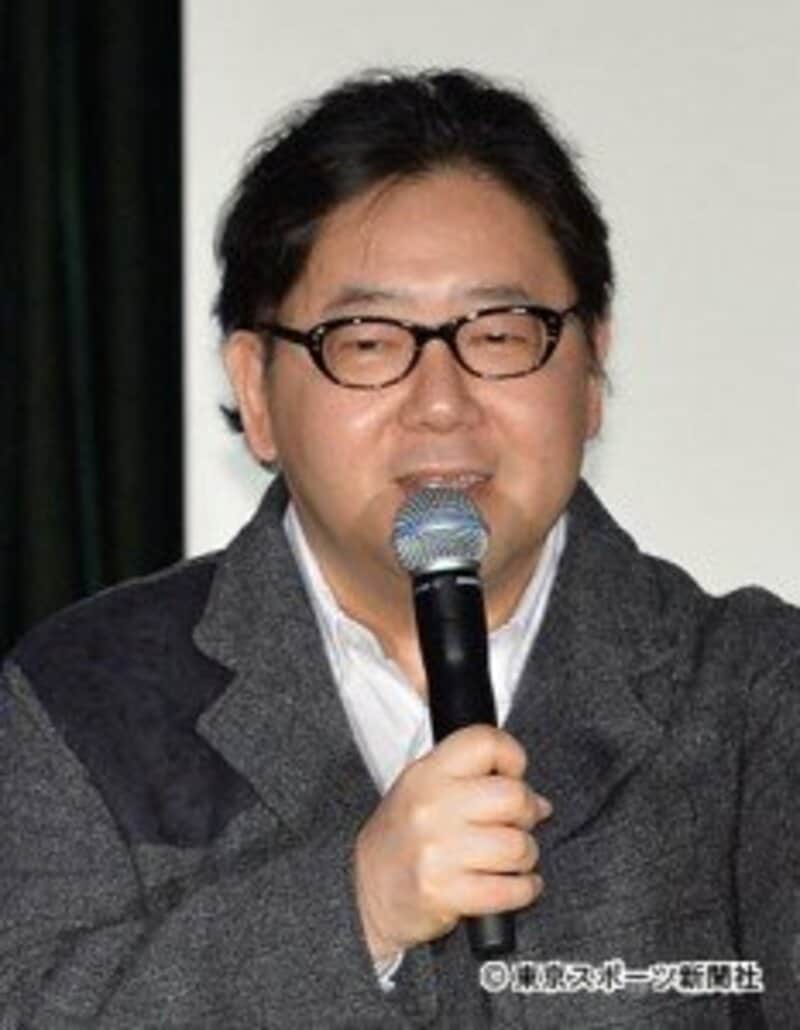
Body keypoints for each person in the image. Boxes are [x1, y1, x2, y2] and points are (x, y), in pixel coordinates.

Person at [1, 69, 797, 1029]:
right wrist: (356, 912)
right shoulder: (83, 699)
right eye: (369, 341)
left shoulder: (755, 689)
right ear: (256, 389)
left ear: (591, 368)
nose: (442, 402)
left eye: (500, 334)